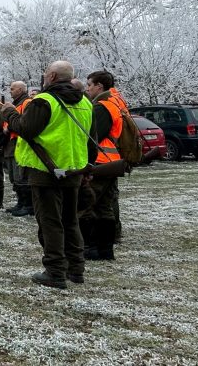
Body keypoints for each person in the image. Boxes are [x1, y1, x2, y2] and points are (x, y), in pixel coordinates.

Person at [4, 61, 95, 289]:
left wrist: (10, 114)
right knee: (70, 220)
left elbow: (26, 129)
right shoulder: (85, 102)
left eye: (46, 74)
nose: (44, 77)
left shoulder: (44, 101)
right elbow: (90, 138)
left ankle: (55, 270)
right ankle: (76, 268)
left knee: (50, 222)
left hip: (47, 170)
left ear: (52, 76)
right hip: (74, 169)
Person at [83, 70, 127, 261]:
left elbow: (94, 137)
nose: (88, 89)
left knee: (89, 205)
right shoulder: (115, 103)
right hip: (112, 162)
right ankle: (106, 250)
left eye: (89, 85)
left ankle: (93, 247)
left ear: (99, 86)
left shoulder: (101, 107)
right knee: (105, 207)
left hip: (100, 163)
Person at [4, 81, 34, 216]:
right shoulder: (16, 104)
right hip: (12, 144)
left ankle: (27, 205)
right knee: (14, 177)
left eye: (12, 88)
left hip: (20, 143)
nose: (10, 91)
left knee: (21, 176)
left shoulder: (27, 103)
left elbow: (24, 122)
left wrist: (9, 127)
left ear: (21, 89)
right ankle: (20, 202)